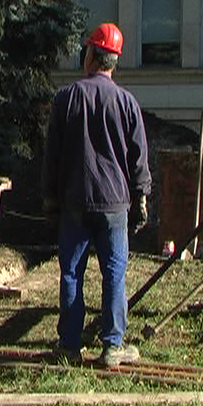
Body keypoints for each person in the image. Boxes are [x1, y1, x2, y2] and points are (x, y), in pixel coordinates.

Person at [42, 23, 151, 367]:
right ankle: (112, 347)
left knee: (71, 272)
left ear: (90, 55)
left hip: (75, 201)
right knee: (114, 271)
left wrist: (50, 199)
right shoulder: (127, 103)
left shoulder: (66, 98)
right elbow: (139, 157)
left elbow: (52, 154)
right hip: (115, 203)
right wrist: (142, 196)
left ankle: (70, 345)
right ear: (114, 62)